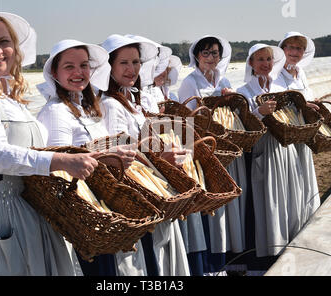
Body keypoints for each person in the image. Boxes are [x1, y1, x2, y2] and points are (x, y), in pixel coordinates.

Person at [0, 12, 100, 276]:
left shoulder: (11, 98)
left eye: (4, 42)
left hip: (21, 205)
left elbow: (39, 150)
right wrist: (60, 162)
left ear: (16, 48)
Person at [36, 39, 137, 275]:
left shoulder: (88, 108)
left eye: (83, 65)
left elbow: (90, 148)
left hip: (100, 205)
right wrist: (107, 157)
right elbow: (61, 163)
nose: (78, 73)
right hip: (81, 212)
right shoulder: (56, 112)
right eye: (69, 67)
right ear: (54, 72)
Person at [100, 34, 190, 276]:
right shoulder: (110, 104)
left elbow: (142, 144)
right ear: (108, 67)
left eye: (136, 62)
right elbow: (119, 155)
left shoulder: (131, 100)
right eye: (124, 63)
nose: (132, 69)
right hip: (136, 191)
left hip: (151, 185)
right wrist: (161, 159)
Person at [177, 35, 245, 275]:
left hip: (224, 145)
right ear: (196, 56)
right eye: (205, 53)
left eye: (214, 53)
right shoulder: (190, 82)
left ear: (220, 56)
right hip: (205, 149)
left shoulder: (223, 78)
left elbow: (232, 111)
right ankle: (212, 263)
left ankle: (228, 257)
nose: (210, 58)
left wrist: (230, 97)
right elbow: (187, 119)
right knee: (212, 202)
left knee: (227, 203)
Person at [236, 44, 304, 275]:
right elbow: (242, 126)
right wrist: (259, 113)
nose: (265, 63)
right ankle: (265, 254)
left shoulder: (280, 87)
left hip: (283, 149)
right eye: (260, 59)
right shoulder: (244, 91)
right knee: (267, 200)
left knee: (286, 198)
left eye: (268, 59)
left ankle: (288, 246)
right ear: (251, 64)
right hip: (262, 151)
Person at [278, 31, 321, 225]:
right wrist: (303, 105)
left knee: (304, 174)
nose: (295, 52)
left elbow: (305, 97)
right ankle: (294, 220)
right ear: (283, 49)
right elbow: (278, 104)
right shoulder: (277, 73)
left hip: (303, 131)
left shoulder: (300, 73)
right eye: (291, 47)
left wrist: (313, 103)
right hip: (287, 132)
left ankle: (307, 215)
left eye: (299, 48)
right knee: (292, 177)